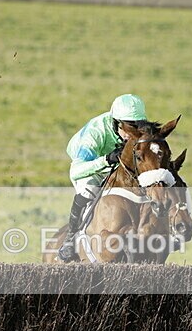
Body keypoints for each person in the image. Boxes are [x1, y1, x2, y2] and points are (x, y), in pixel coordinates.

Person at [57, 94, 149, 262]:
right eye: (128, 128)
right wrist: (105, 160)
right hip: (90, 164)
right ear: (116, 122)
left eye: (136, 127)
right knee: (89, 190)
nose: (132, 134)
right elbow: (76, 171)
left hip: (117, 164)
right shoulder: (95, 133)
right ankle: (70, 239)